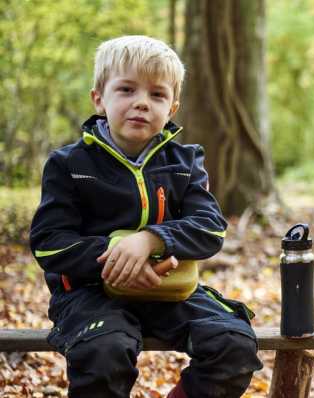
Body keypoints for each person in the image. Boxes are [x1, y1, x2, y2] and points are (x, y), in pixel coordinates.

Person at [29, 35, 262, 398]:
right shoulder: (68, 164)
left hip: (170, 291)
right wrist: (120, 255)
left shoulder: (185, 163)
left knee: (233, 343)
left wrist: (151, 240)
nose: (141, 103)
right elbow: (48, 244)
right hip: (90, 295)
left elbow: (211, 228)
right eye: (126, 90)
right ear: (99, 99)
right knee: (103, 352)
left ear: (172, 108)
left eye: (157, 94)